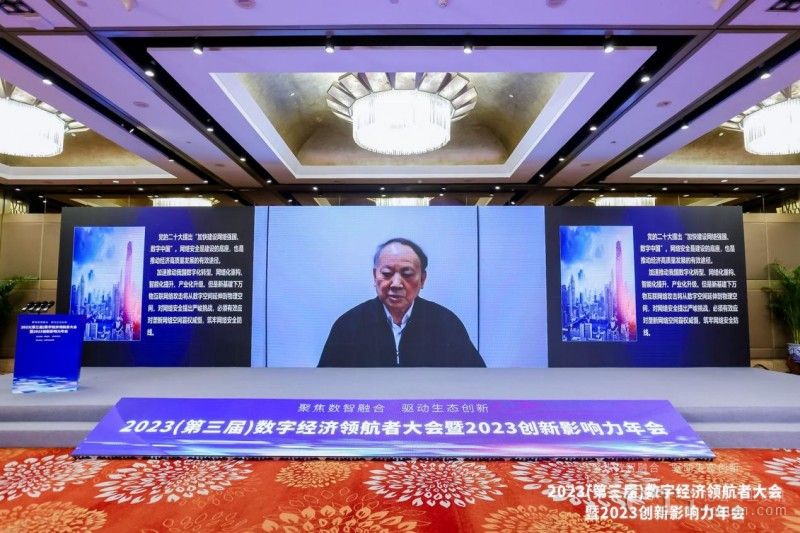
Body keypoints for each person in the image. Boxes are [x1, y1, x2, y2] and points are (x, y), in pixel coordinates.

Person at [318, 238, 485, 367]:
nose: (396, 284)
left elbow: (476, 378)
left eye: (407, 274)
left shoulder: (446, 323)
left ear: (423, 279)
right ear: (375, 276)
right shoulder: (348, 325)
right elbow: (325, 383)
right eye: (387, 273)